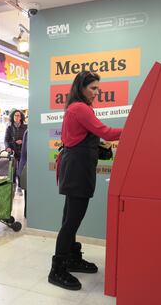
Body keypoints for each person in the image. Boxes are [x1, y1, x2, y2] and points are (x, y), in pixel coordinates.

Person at [48, 71, 123, 290]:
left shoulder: (79, 108)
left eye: (98, 88)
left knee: (70, 218)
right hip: (77, 169)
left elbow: (86, 137)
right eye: (93, 88)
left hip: (77, 167)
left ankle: (71, 258)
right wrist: (133, 129)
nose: (96, 93)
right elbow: (106, 132)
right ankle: (58, 269)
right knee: (72, 221)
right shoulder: (80, 108)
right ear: (81, 87)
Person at [4, 109, 27, 195]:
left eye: (19, 116)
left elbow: (28, 138)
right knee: (12, 170)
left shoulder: (25, 127)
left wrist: (23, 141)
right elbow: (6, 140)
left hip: (23, 151)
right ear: (13, 117)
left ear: (21, 117)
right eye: (15, 115)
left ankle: (20, 186)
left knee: (21, 169)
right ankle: (13, 186)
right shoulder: (9, 128)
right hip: (13, 151)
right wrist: (8, 147)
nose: (17, 117)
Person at [17, 129, 28, 218]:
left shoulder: (27, 131)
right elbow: (28, 151)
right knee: (28, 192)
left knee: (28, 192)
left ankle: (27, 213)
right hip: (27, 167)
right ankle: (28, 213)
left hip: (25, 166)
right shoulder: (29, 132)